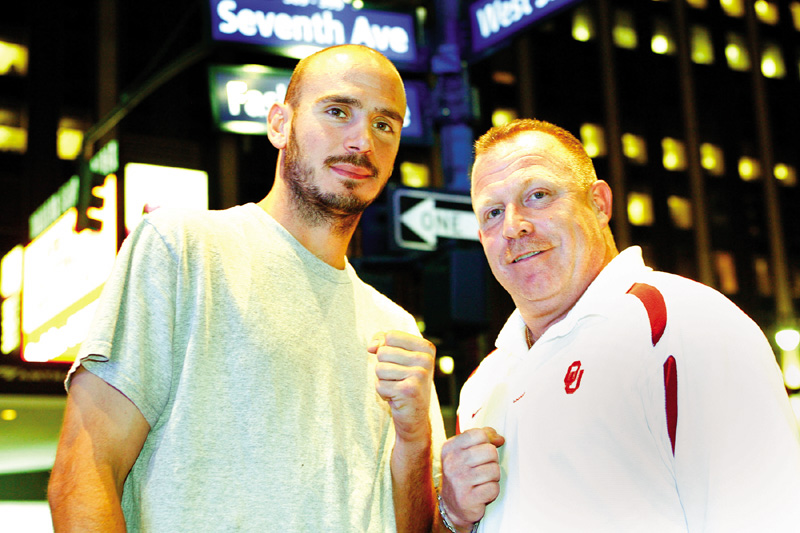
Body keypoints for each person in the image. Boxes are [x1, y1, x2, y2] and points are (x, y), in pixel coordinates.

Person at [48, 44, 446, 532]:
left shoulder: (397, 328)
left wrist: (416, 440)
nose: (362, 140)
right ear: (280, 124)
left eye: (385, 124)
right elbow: (85, 472)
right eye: (338, 111)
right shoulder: (183, 248)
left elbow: (417, 526)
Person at [435, 118, 800, 532]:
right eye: (493, 212)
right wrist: (453, 514)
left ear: (599, 203)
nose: (513, 226)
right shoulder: (483, 385)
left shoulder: (688, 325)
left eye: (537, 195)